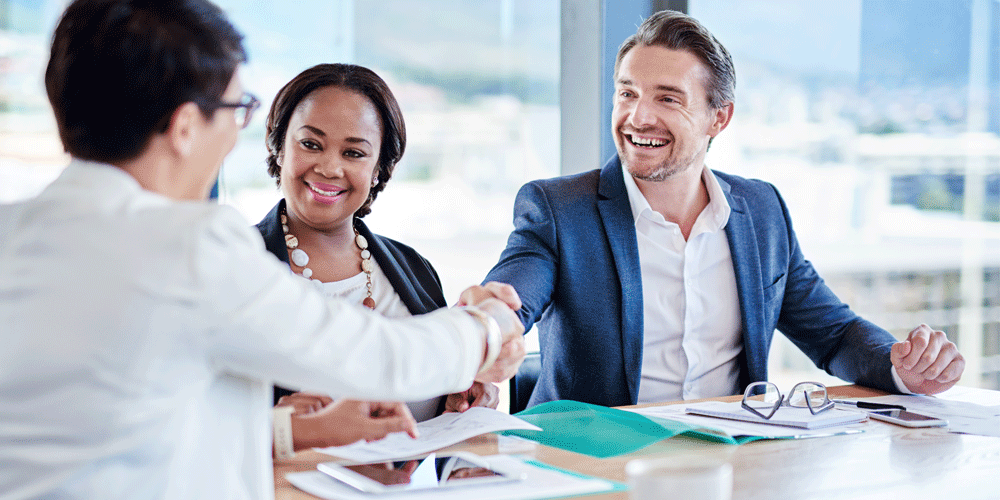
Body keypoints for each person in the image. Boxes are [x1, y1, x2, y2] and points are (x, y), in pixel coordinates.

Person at [0, 1, 525, 498]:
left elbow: (128, 416)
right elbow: (380, 357)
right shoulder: (190, 248)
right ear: (185, 127)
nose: (235, 132)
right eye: (236, 108)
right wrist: (488, 325)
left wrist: (294, 429)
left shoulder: (13, 233)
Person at [484, 10, 964, 409]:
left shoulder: (762, 211)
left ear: (720, 117)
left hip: (733, 465)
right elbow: (512, 297)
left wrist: (903, 367)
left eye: (667, 98)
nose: (638, 117)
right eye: (627, 93)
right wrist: (489, 319)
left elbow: (834, 334)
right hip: (599, 467)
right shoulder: (559, 209)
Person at [255, 63, 499, 451]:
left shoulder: (414, 269)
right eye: (310, 144)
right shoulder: (240, 267)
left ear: (378, 170)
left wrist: (457, 397)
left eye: (354, 152)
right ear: (279, 147)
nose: (329, 167)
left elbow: (436, 407)